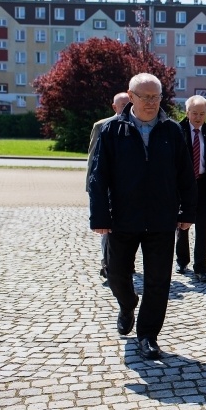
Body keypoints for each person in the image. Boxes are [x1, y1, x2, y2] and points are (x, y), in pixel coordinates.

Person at [89, 73, 197, 360]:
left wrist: (187, 211)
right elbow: (98, 177)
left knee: (159, 280)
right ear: (131, 96)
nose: (151, 102)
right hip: (122, 218)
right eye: (145, 96)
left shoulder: (172, 131)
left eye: (156, 97)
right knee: (116, 274)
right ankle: (127, 305)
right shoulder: (112, 130)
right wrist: (100, 217)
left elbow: (186, 175)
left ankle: (148, 335)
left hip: (161, 220)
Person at [175, 95, 206, 282]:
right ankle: (182, 260)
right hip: (182, 186)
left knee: (202, 227)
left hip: (204, 185)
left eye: (202, 114)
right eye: (194, 113)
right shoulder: (177, 131)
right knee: (182, 224)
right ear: (187, 112)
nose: (198, 117)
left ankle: (200, 268)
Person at [87, 91, 130, 279]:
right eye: (122, 105)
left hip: (129, 190)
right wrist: (92, 188)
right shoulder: (102, 126)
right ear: (114, 107)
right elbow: (93, 161)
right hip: (108, 189)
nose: (126, 108)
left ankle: (125, 263)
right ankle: (106, 263)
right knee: (107, 230)